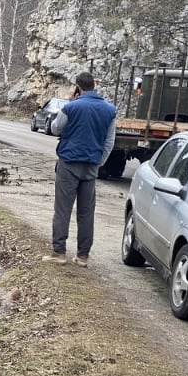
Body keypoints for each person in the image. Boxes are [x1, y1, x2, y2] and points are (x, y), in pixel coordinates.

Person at [42, 71, 116, 268]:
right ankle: (83, 256)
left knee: (63, 209)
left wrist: (68, 102)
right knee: (86, 212)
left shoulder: (71, 107)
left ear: (77, 87)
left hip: (68, 164)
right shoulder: (109, 110)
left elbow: (56, 129)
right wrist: (98, 163)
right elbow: (109, 142)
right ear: (94, 86)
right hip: (91, 166)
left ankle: (59, 252)